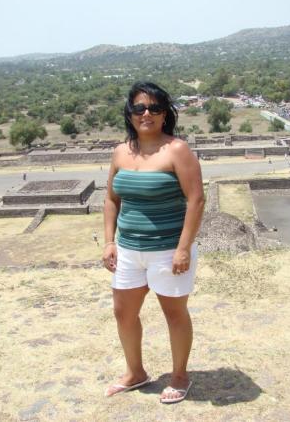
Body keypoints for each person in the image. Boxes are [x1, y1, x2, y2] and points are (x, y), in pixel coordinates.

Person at [103, 82, 204, 403]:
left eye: (154, 108)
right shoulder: (120, 152)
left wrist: (183, 248)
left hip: (167, 249)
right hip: (130, 249)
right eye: (139, 108)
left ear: (165, 114)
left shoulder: (177, 150)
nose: (146, 114)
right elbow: (110, 199)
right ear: (130, 114)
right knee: (123, 312)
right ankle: (136, 372)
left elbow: (196, 200)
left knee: (174, 313)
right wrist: (109, 242)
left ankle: (179, 376)